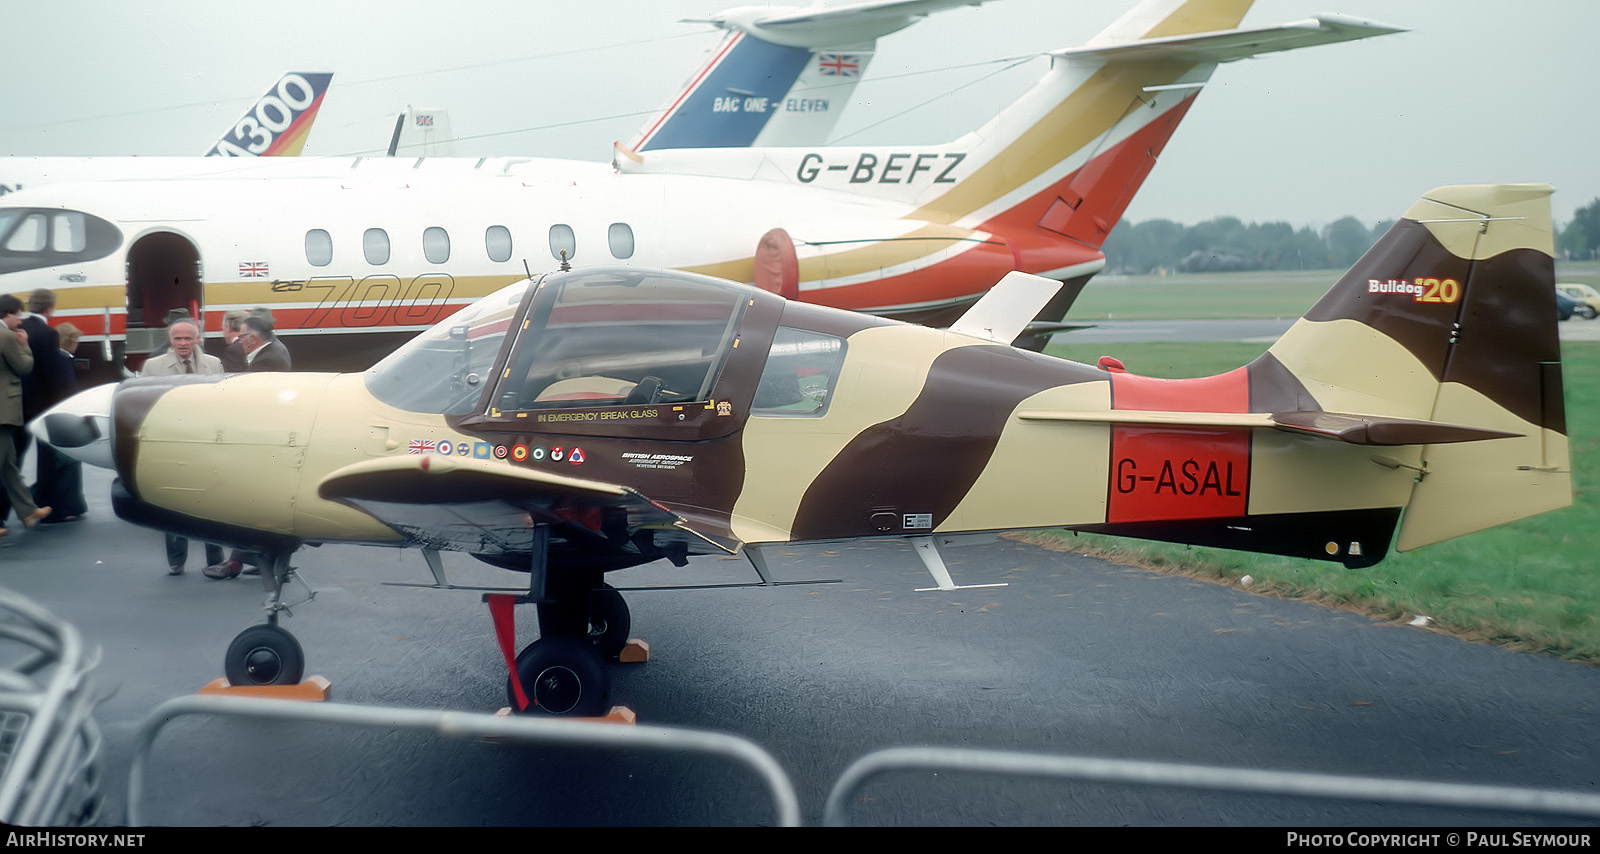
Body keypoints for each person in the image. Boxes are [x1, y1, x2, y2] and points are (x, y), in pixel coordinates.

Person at [141, 320, 223, 573]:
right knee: (173, 500)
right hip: (172, 442)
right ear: (170, 341)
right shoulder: (153, 367)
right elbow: (144, 403)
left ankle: (216, 559)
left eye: (188, 339)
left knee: (213, 500)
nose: (184, 344)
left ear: (197, 339)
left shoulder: (214, 363)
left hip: (205, 441)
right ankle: (177, 561)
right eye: (178, 339)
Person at [0, 295, 49, 536]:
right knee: (4, 465)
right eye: (17, 315)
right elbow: (23, 367)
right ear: (6, 314)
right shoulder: (6, 336)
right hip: (3, 411)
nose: (20, 320)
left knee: (9, 466)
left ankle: (28, 510)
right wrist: (25, 345)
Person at [32, 323, 87, 523]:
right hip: (62, 419)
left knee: (51, 464)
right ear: (70, 341)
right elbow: (68, 390)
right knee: (67, 463)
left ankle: (49, 503)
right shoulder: (63, 361)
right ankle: (66, 506)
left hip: (47, 417)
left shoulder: (51, 359)